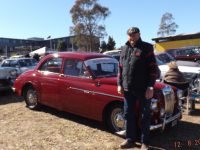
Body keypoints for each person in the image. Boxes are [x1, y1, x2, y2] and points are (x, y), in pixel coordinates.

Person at [117, 27, 158, 149]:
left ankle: (145, 142)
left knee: (145, 115)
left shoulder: (146, 47)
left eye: (134, 35)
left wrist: (150, 86)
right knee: (128, 114)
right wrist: (119, 84)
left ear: (139, 35)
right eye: (129, 35)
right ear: (127, 36)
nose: (132, 37)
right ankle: (130, 139)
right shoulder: (124, 49)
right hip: (128, 88)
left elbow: (153, 68)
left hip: (143, 89)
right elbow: (120, 68)